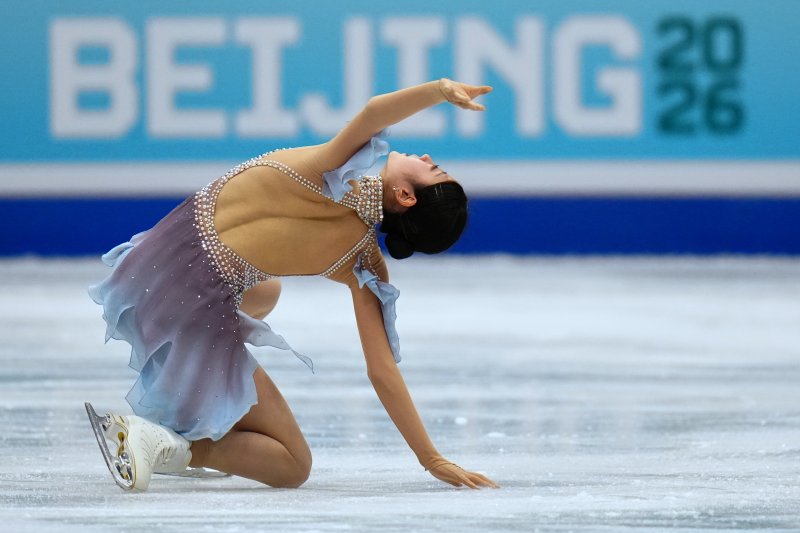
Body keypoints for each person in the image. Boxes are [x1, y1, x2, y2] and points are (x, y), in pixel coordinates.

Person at [87, 78, 498, 491]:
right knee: (292, 465)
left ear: (407, 196)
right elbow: (382, 370)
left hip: (152, 263)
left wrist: (438, 91)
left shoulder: (330, 166)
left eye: (434, 169)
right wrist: (430, 458)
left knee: (266, 290)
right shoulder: (362, 262)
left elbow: (376, 112)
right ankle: (176, 445)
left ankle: (181, 412)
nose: (428, 156)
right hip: (185, 301)